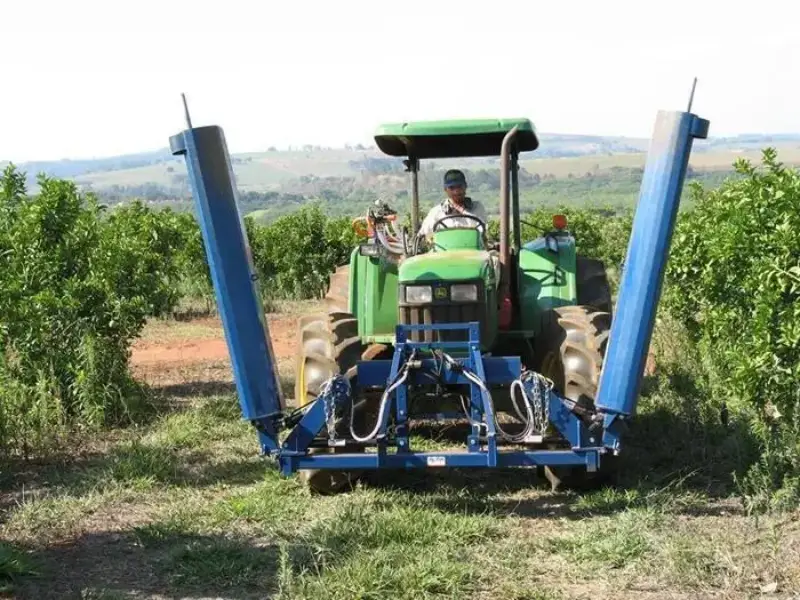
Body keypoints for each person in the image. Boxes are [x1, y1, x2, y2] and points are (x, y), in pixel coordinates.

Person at [416, 169, 488, 239]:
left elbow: (482, 229)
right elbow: (424, 232)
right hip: (444, 250)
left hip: (473, 249)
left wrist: (463, 211)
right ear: (445, 189)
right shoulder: (436, 212)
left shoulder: (477, 207)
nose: (456, 191)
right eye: (451, 188)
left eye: (459, 186)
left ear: (465, 186)